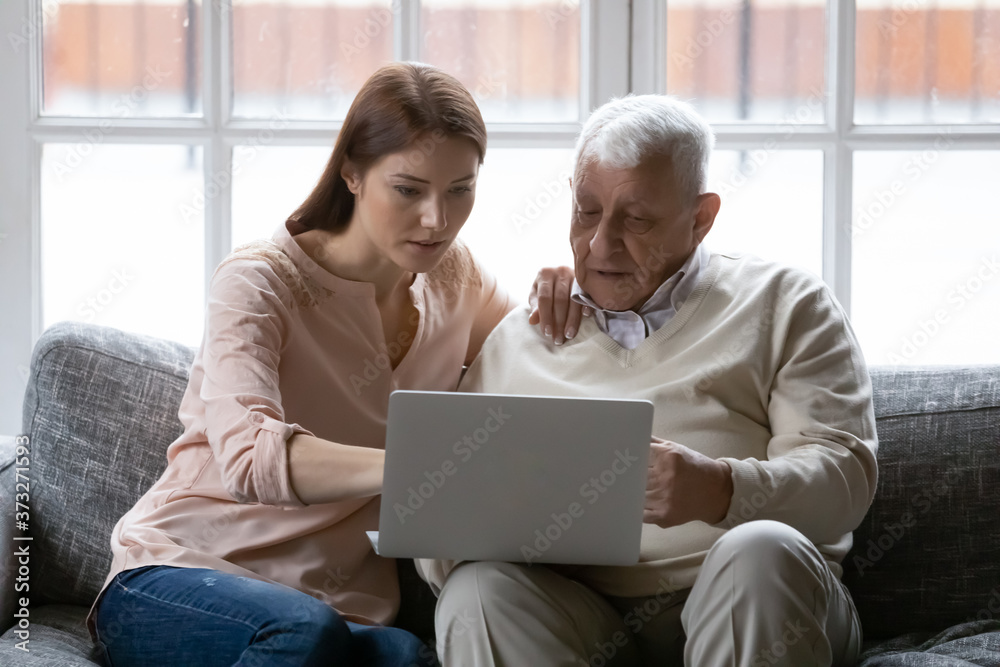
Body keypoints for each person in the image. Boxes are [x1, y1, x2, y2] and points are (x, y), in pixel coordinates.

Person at [87, 62, 582, 666]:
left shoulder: (458, 279)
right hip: (180, 576)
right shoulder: (260, 283)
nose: (438, 219)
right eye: (408, 189)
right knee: (302, 633)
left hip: (344, 611)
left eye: (460, 189)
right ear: (351, 171)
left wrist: (562, 293)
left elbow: (536, 364)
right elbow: (248, 456)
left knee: (408, 658)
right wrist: (417, 464)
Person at [418, 95, 879, 667]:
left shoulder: (785, 304)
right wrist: (486, 535)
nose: (600, 244)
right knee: (477, 592)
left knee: (758, 550)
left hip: (760, 598)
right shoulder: (523, 335)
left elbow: (844, 482)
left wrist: (720, 488)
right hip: (584, 617)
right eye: (587, 212)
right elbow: (436, 531)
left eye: (636, 220)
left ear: (701, 217)